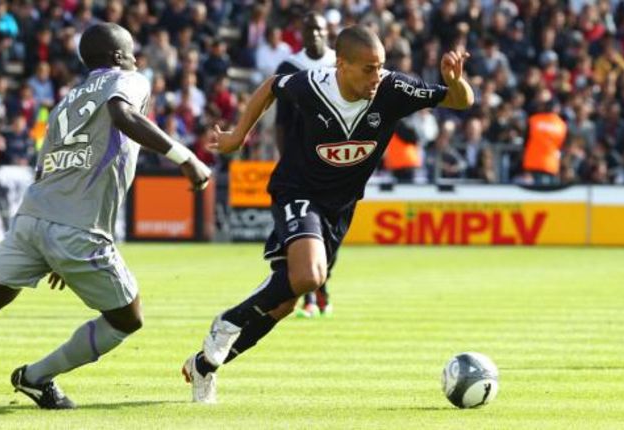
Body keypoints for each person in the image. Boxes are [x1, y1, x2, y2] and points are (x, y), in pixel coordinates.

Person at [0, 23, 211, 409]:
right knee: (127, 319)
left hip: (33, 218)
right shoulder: (128, 79)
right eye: (131, 51)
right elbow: (121, 113)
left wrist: (51, 247)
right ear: (118, 57)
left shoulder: (67, 100)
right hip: (80, 227)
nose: (136, 58)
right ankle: (36, 376)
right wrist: (187, 158)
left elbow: (45, 166)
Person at [181, 25, 473, 403]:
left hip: (340, 208)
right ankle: (227, 322)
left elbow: (460, 101)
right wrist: (238, 136)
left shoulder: (393, 89)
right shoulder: (312, 85)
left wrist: (455, 81)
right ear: (342, 65)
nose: (377, 76)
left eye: (381, 66)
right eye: (368, 68)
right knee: (309, 276)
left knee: (285, 302)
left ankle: (204, 367)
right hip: (297, 191)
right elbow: (272, 86)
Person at [274, 12, 337, 318]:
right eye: (309, 29)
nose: (314, 34)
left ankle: (322, 288)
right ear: (301, 32)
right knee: (307, 231)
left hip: (336, 164)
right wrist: (286, 160)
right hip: (301, 161)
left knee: (331, 233)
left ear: (328, 32)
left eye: (319, 29)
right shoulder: (290, 67)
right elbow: (281, 121)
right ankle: (311, 296)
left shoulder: (341, 62)